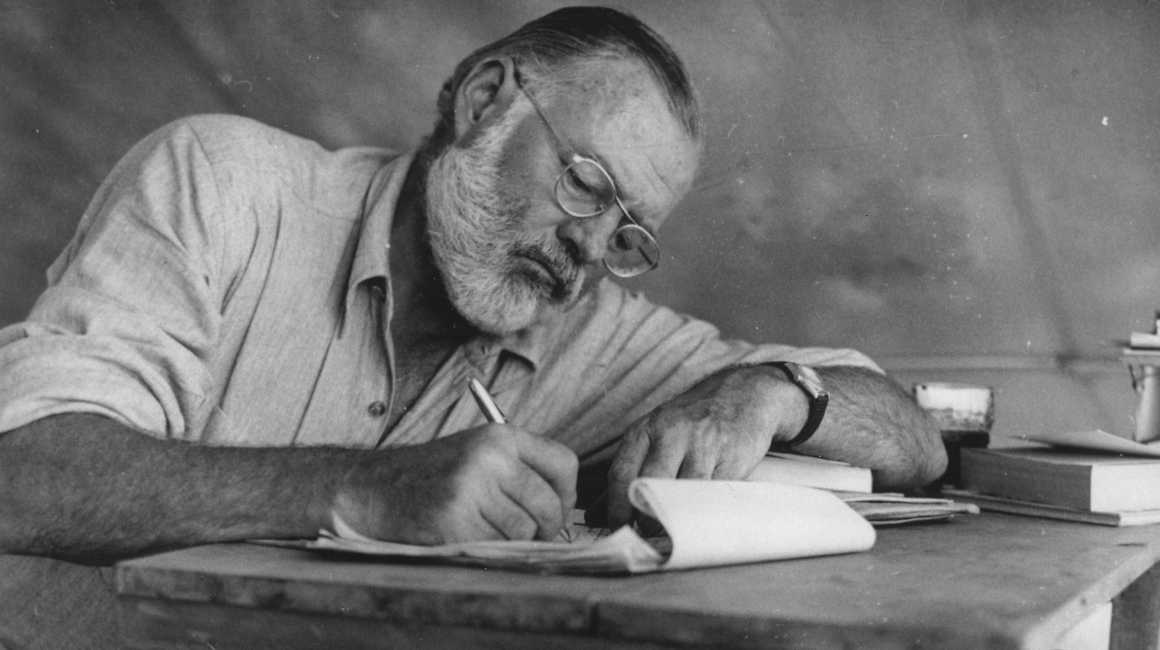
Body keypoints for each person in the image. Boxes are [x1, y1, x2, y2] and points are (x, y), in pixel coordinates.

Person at [0, 6, 944, 566]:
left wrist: (773, 392)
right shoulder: (221, 180)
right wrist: (365, 492)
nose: (586, 246)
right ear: (484, 99)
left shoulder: (587, 326)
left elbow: (916, 438)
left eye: (627, 234)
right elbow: (24, 476)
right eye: (584, 183)